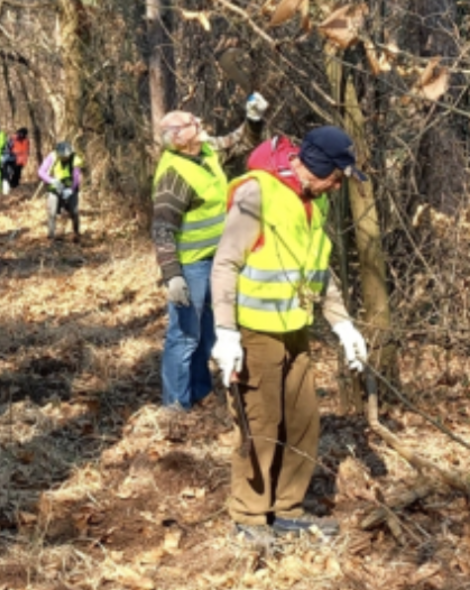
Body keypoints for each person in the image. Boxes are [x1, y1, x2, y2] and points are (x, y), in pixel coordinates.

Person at [210, 125, 369, 543]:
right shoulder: (256, 193)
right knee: (260, 424)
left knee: (302, 423)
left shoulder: (313, 205)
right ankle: (249, 517)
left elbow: (320, 272)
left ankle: (286, 510)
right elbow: (225, 263)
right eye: (334, 176)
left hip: (295, 330)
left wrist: (343, 324)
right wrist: (225, 332)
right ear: (315, 165)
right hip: (254, 332)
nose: (336, 186)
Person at [152, 92, 269, 412]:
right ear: (176, 137)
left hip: (217, 259)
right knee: (185, 335)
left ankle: (200, 391)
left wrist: (254, 118)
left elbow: (239, 142)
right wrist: (172, 276)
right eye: (192, 122)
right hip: (191, 266)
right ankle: (175, 406)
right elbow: (162, 229)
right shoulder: (173, 176)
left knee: (207, 331)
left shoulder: (204, 149)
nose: (200, 123)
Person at [38, 140, 84, 242]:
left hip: (70, 186)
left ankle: (76, 233)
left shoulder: (75, 159)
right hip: (55, 185)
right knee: (52, 211)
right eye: (62, 156)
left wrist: (71, 190)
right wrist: (51, 180)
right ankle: (51, 235)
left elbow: (76, 178)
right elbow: (41, 171)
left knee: (74, 211)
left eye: (66, 157)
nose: (64, 158)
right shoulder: (52, 156)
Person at [2, 127, 30, 193]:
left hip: (20, 161)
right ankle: (6, 185)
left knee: (17, 174)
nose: (21, 135)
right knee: (7, 172)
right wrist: (9, 154)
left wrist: (24, 161)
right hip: (11, 158)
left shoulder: (26, 141)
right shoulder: (13, 139)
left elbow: (27, 151)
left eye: (23, 134)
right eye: (20, 133)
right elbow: (7, 148)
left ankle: (14, 186)